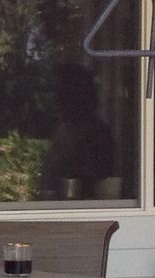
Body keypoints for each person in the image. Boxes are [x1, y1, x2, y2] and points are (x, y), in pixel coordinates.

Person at [40, 63, 115, 200]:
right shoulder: (64, 130)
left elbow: (97, 177)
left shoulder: (95, 132)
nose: (55, 99)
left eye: (59, 93)